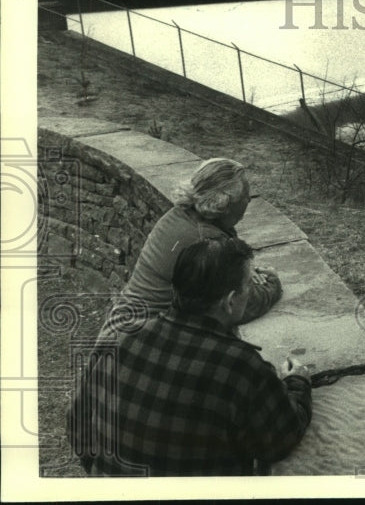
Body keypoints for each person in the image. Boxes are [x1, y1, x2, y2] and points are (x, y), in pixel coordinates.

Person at [68, 237, 312, 476]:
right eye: (249, 285)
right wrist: (297, 382)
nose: (252, 291)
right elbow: (281, 438)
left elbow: (77, 426)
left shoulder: (120, 336)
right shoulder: (241, 366)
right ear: (230, 301)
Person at [99, 158, 281, 339]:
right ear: (225, 205)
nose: (249, 200)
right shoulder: (207, 241)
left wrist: (244, 270)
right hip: (139, 338)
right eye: (245, 196)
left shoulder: (185, 213)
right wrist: (272, 285)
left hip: (122, 328)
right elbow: (244, 306)